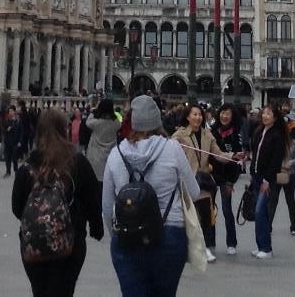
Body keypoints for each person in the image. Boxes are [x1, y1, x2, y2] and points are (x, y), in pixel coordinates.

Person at [101, 93, 200, 295]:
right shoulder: (172, 148)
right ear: (157, 121)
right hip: (169, 234)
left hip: (127, 237)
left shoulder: (116, 154)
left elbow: (106, 205)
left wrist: (118, 235)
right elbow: (194, 192)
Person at [12, 108, 104, 296]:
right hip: (70, 243)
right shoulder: (77, 162)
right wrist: (96, 227)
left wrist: (38, 220)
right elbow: (93, 200)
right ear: (65, 130)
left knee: (40, 291)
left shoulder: (28, 166)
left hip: (34, 243)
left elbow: (16, 207)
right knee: (64, 290)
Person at [170, 103, 226, 262]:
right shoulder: (179, 135)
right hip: (186, 181)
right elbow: (171, 153)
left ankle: (206, 247)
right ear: (187, 117)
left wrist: (233, 156)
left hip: (203, 181)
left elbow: (218, 154)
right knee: (188, 217)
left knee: (206, 215)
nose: (198, 117)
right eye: (194, 114)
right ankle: (187, 247)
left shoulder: (207, 134)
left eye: (200, 114)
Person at [248, 103, 288, 260]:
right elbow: (255, 154)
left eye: (269, 114)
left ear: (275, 117)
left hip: (267, 179)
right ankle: (261, 246)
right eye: (264, 113)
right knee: (261, 213)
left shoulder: (277, 135)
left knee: (259, 211)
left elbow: (275, 161)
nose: (265, 116)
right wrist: (252, 173)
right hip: (257, 176)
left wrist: (267, 180)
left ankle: (266, 247)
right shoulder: (259, 131)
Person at [210, 103, 244, 256]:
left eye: (227, 113)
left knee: (226, 210)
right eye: (222, 113)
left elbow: (238, 161)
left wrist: (231, 181)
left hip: (227, 178)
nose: (224, 116)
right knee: (210, 211)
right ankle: (210, 243)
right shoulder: (211, 132)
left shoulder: (236, 134)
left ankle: (232, 242)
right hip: (211, 176)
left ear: (232, 116)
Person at [87, 99, 121, 183]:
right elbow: (119, 122)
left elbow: (87, 122)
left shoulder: (96, 123)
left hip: (96, 158)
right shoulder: (116, 123)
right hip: (110, 156)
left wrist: (92, 112)